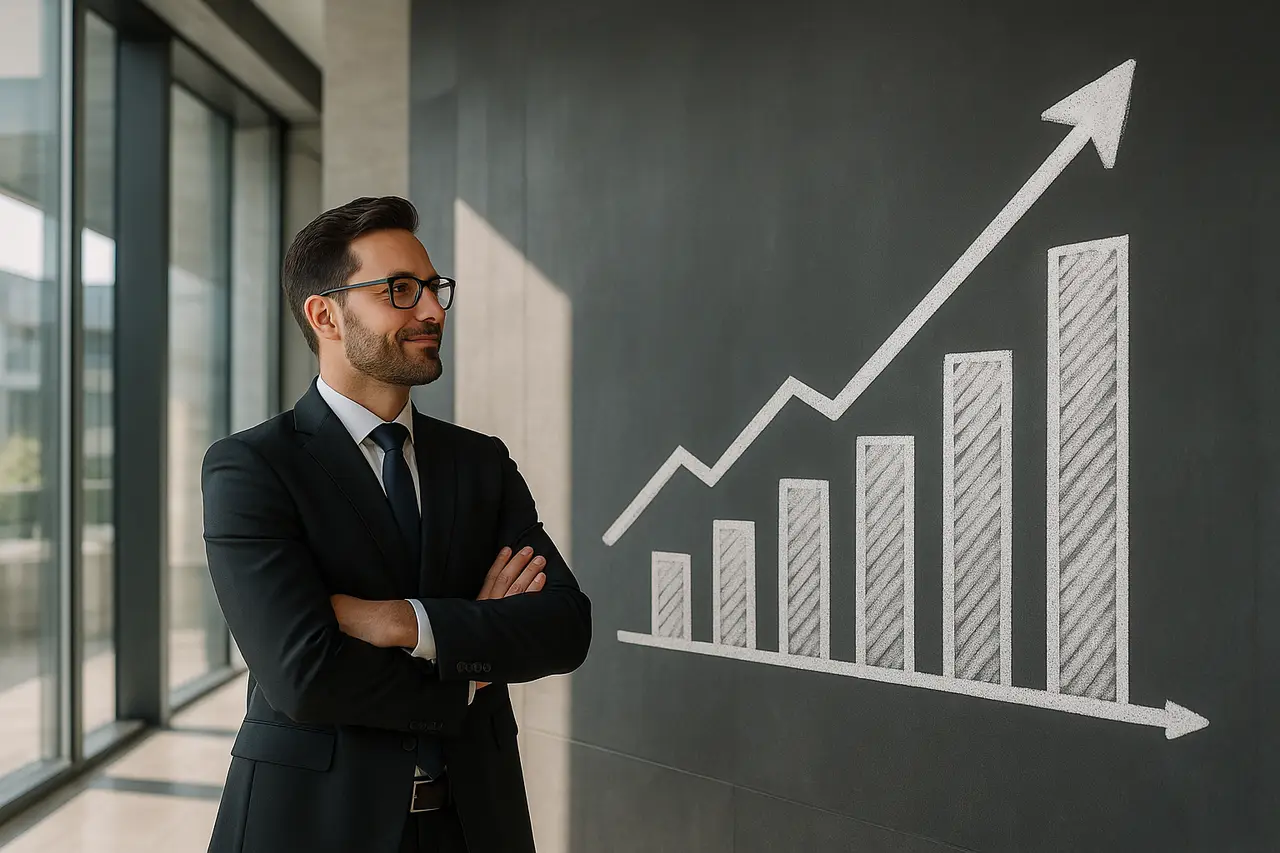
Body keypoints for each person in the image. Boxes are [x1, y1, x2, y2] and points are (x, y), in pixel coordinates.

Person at [201, 195, 591, 853]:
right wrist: (468, 666)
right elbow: (303, 675)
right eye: (401, 290)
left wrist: (401, 622)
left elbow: (564, 626)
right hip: (312, 827)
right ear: (325, 315)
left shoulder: (480, 463)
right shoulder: (252, 467)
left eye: (435, 288)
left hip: (475, 826)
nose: (433, 310)